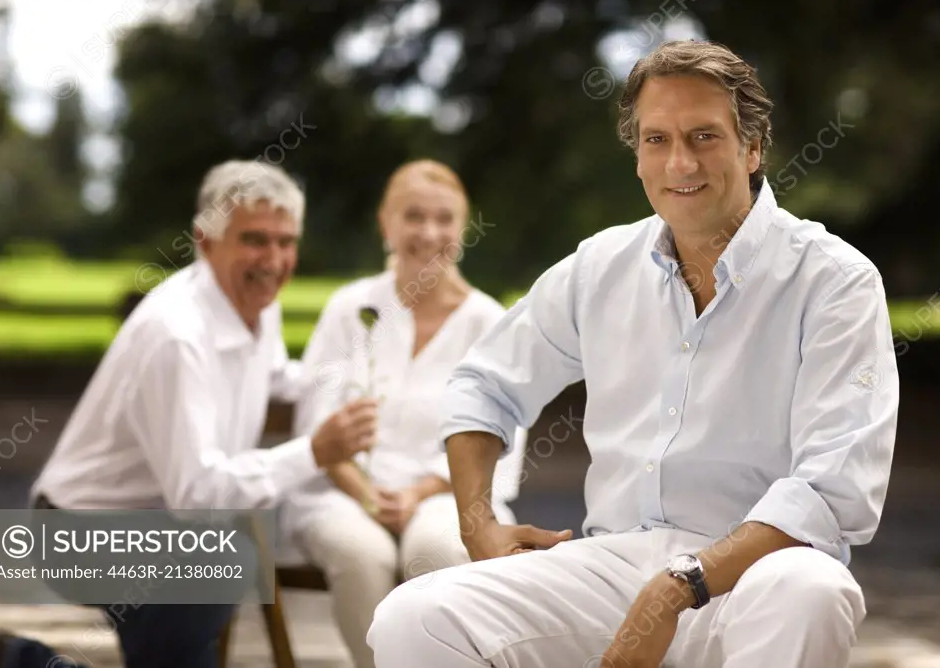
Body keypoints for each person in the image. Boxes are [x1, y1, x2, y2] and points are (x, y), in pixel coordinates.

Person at [366, 40, 899, 668]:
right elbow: (482, 385)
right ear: (637, 156)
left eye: (704, 137)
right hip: (614, 563)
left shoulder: (834, 280)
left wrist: (678, 589)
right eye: (656, 140)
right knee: (414, 618)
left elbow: (833, 491)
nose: (679, 162)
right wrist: (478, 524)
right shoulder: (600, 267)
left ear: (752, 149)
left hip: (757, 575)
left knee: (815, 590)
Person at [0, 160, 377, 668]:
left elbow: (277, 375)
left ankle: (21, 662)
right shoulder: (177, 334)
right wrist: (316, 451)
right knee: (224, 558)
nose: (274, 259)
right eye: (255, 239)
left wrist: (355, 377)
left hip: (158, 526)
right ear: (205, 240)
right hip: (77, 531)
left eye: (286, 242)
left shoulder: (256, 303)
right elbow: (197, 495)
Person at [281, 159, 527, 668]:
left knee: (440, 549)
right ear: (385, 223)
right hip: (340, 493)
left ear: (463, 228)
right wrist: (366, 493)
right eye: (413, 216)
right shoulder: (348, 308)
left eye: (444, 218)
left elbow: (502, 447)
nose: (429, 232)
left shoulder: (490, 322)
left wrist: (416, 493)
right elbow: (316, 429)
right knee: (359, 551)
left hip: (449, 494)